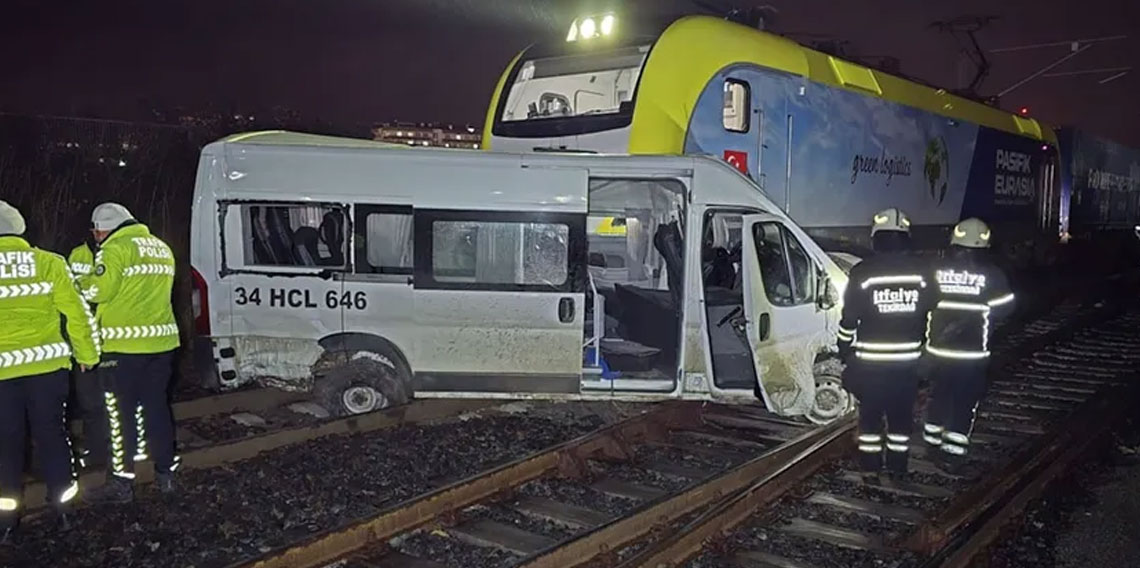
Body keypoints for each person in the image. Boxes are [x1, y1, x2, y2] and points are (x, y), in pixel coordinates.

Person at [0, 200, 101, 541]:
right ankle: (63, 511)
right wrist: (86, 353)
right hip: (48, 369)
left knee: (5, 443)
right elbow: (78, 312)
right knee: (53, 435)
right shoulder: (49, 262)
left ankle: (6, 522)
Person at [79, 203, 181, 504]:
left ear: (103, 229)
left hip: (123, 348)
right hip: (162, 345)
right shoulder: (160, 246)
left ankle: (120, 483)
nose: (96, 238)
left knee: (118, 415)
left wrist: (79, 283)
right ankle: (166, 473)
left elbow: (101, 291)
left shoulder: (114, 249)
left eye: (96, 232)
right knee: (156, 408)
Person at [836, 208, 935, 478]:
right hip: (907, 365)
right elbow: (933, 308)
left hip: (871, 365)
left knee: (870, 417)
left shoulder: (862, 272)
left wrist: (844, 350)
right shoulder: (923, 272)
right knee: (901, 418)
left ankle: (870, 467)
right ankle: (897, 468)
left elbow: (849, 319)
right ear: (906, 238)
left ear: (875, 238)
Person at [923, 218, 1014, 472]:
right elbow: (1006, 308)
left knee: (939, 393)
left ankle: (931, 441)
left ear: (954, 243)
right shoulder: (993, 274)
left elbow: (924, 302)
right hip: (972, 354)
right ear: (985, 246)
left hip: (938, 351)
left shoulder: (936, 270)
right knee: (964, 400)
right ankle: (952, 454)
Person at [68, 237, 108, 470]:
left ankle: (120, 451)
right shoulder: (78, 255)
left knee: (116, 401)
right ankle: (97, 452)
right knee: (90, 402)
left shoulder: (118, 252)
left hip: (116, 338)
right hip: (86, 339)